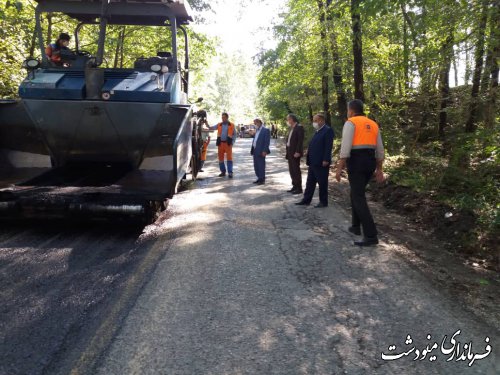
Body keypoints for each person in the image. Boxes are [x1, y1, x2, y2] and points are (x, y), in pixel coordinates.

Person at [335, 99, 385, 247]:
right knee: (356, 193)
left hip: (356, 162)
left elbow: (346, 147)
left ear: (351, 111)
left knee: (358, 196)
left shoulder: (351, 122)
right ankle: (355, 226)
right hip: (369, 163)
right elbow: (380, 149)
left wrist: (339, 167)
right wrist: (379, 168)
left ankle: (371, 235)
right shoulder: (373, 124)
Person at [296, 113, 335, 208]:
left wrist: (326, 159)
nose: (314, 123)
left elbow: (328, 146)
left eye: (315, 120)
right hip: (313, 161)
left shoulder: (327, 130)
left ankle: (323, 202)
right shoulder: (318, 131)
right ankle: (306, 200)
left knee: (322, 182)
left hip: (321, 162)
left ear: (321, 120)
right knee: (310, 182)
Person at [207, 113, 236, 178]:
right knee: (220, 158)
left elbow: (234, 134)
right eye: (222, 117)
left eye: (224, 117)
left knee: (229, 158)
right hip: (220, 143)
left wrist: (232, 142)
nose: (223, 119)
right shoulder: (219, 124)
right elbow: (211, 128)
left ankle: (230, 172)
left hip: (228, 144)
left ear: (227, 117)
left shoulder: (232, 125)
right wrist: (207, 124)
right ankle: (223, 172)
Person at [285, 114, 305, 194]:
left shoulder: (299, 127)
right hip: (290, 151)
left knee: (296, 170)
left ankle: (299, 188)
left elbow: (300, 141)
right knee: (291, 170)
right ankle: (294, 186)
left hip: (295, 152)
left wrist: (298, 151)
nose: (287, 121)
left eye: (288, 119)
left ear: (292, 119)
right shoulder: (292, 128)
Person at [251, 118, 271, 185]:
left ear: (259, 122)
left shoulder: (266, 130)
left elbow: (267, 142)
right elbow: (256, 139)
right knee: (256, 165)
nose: (255, 124)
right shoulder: (257, 130)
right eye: (254, 123)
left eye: (255, 123)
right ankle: (259, 178)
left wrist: (265, 151)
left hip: (261, 150)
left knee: (261, 165)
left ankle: (262, 179)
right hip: (255, 150)